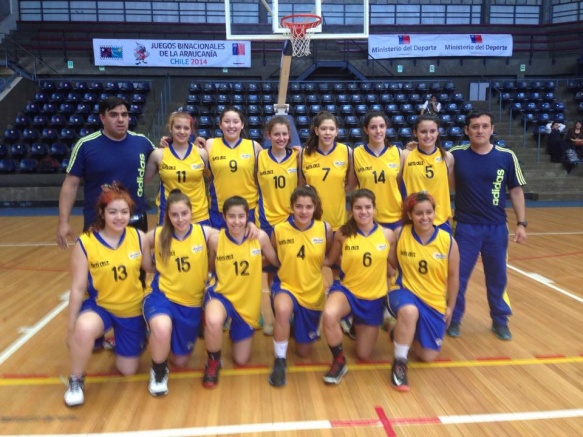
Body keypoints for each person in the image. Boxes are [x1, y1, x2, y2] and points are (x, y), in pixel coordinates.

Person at [64, 183, 152, 407]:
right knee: (83, 328)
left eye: (124, 212)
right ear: (102, 213)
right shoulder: (86, 243)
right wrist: (71, 326)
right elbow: (77, 288)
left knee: (128, 370)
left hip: (132, 309)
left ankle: (119, 340)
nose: (119, 217)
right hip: (101, 306)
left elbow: (152, 267)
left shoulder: (138, 237)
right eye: (113, 211)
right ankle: (76, 379)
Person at [448, 111, 527, 341]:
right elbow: (430, 160)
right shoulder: (455, 155)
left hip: (496, 228)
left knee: (498, 277)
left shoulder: (506, 156)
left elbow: (516, 190)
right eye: (474, 126)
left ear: (492, 129)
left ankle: (500, 321)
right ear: (466, 130)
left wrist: (521, 223)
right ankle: (454, 319)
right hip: (465, 227)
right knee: (458, 277)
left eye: (484, 126)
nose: (479, 130)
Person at [143, 190, 218, 397]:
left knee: (181, 361)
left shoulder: (204, 233)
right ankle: (158, 371)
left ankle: (157, 337)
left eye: (184, 213)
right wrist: (148, 266)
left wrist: (249, 227)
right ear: (168, 215)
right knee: (162, 327)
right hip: (162, 297)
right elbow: (137, 240)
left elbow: (229, 234)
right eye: (175, 215)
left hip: (191, 304)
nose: (180, 219)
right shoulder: (159, 234)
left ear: (191, 212)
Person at [57, 96, 156, 248]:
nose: (121, 119)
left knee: (137, 271)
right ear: (102, 118)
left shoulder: (142, 142)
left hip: (135, 221)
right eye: (114, 115)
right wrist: (63, 222)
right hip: (98, 222)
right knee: (99, 271)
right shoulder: (85, 146)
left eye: (124, 114)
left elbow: (163, 160)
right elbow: (70, 185)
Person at [203, 196, 279, 388]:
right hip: (222, 295)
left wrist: (256, 263)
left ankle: (234, 330)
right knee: (212, 320)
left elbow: (276, 261)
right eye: (231, 216)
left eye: (241, 216)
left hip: (247, 303)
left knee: (241, 360)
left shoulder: (259, 237)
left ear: (247, 217)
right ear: (224, 217)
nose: (236, 221)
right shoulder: (215, 240)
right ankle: (213, 361)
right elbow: (211, 265)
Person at [387, 192, 459, 391]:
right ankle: (399, 363)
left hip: (433, 300)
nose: (424, 217)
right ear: (410, 215)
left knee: (427, 356)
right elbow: (391, 262)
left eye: (429, 212)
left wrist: (451, 307)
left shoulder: (448, 241)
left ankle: (396, 331)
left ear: (435, 213)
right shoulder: (400, 233)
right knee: (410, 311)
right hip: (403, 291)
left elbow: (453, 277)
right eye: (419, 213)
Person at [321, 189, 395, 385]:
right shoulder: (343, 234)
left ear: (374, 209)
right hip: (348, 292)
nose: (363, 212)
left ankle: (357, 323)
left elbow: (394, 266)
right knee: (329, 315)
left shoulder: (387, 235)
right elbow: (330, 260)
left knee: (363, 354)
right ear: (351, 210)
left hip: (373, 299)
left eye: (367, 207)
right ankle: (339, 361)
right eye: (358, 207)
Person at [268, 186, 332, 387]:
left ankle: (294, 326)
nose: (303, 211)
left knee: (304, 352)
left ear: (315, 208)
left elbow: (328, 256)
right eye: (299, 206)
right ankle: (279, 361)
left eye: (308, 207)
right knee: (282, 309)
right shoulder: (279, 230)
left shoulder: (325, 229)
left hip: (312, 291)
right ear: (292, 208)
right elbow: (274, 260)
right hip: (286, 285)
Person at [256, 116, 299, 336]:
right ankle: (273, 318)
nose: (281, 138)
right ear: (268, 135)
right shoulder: (259, 156)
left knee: (295, 269)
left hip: (293, 223)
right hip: (267, 222)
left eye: (284, 134)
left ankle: (296, 316)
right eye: (276, 134)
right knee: (272, 273)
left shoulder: (298, 157)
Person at [145, 112, 210, 226]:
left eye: (186, 128)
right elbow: (143, 181)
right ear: (170, 128)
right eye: (177, 127)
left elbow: (212, 179)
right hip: (169, 214)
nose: (182, 131)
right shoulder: (158, 154)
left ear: (191, 131)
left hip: (198, 214)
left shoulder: (201, 153)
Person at [206, 107, 263, 229]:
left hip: (248, 209)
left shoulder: (254, 146)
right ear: (220, 125)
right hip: (219, 209)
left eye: (236, 122)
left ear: (242, 125)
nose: (231, 125)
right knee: (219, 246)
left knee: (247, 246)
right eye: (227, 121)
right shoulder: (210, 144)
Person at [299, 111, 356, 232]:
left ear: (337, 132)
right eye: (323, 129)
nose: (327, 133)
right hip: (312, 221)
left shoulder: (346, 151)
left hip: (338, 221)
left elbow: (351, 185)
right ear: (316, 130)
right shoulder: (303, 154)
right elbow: (301, 185)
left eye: (331, 129)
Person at [401, 115, 455, 233]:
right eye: (423, 131)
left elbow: (452, 187)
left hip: (440, 221)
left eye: (432, 131)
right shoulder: (405, 155)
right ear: (415, 133)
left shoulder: (447, 157)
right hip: (414, 221)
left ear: (438, 132)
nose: (428, 135)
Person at [353, 111, 405, 230]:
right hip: (367, 217)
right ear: (366, 130)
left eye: (382, 126)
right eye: (373, 127)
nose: (378, 131)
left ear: (386, 128)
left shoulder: (398, 153)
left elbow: (398, 183)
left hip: (394, 216)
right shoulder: (356, 153)